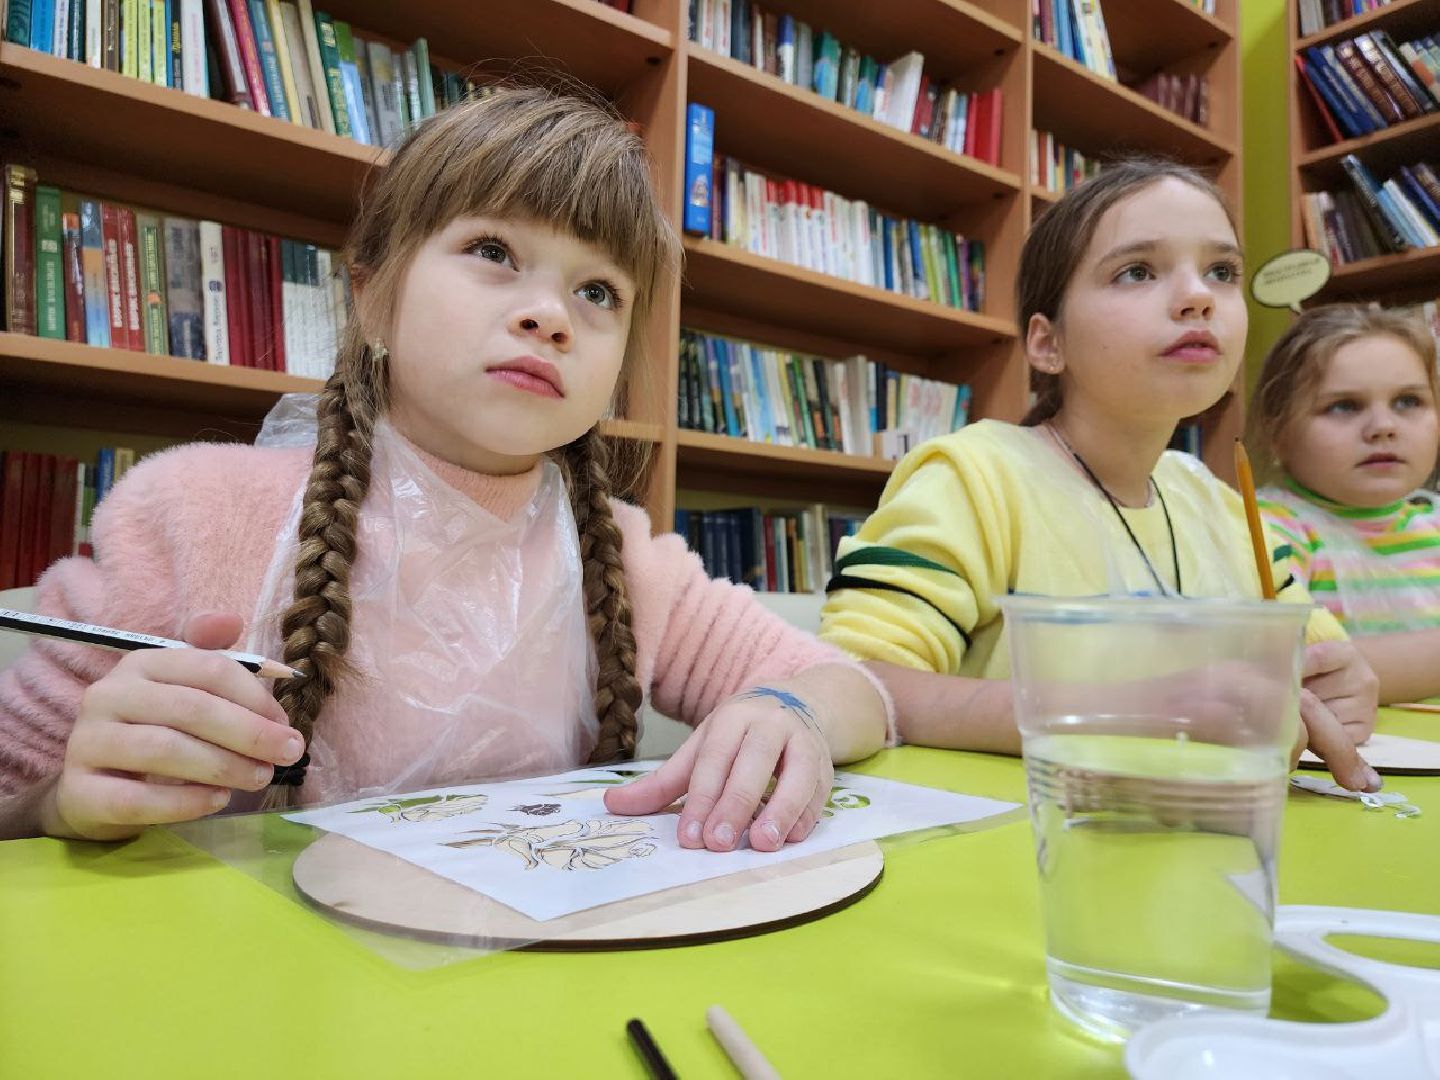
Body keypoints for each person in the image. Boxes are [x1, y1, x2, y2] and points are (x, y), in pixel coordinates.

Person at [0, 86, 890, 846]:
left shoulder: (626, 560)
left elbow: (855, 690)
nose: (551, 315)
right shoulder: (190, 512)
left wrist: (792, 715)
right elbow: (14, 794)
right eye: (494, 253)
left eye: (598, 292)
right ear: (373, 297)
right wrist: (62, 804)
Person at [820, 160, 1378, 792]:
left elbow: (1317, 669)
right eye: (1137, 271)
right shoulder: (975, 479)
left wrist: (1339, 688)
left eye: (1221, 272)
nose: (1199, 296)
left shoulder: (1226, 510)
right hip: (1020, 851)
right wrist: (1122, 713)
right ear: (1046, 343)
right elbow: (850, 678)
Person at [1254, 303, 1440, 705]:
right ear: (1277, 432)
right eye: (1344, 406)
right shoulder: (1267, 528)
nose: (1384, 428)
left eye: (1408, 402)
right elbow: (1285, 669)